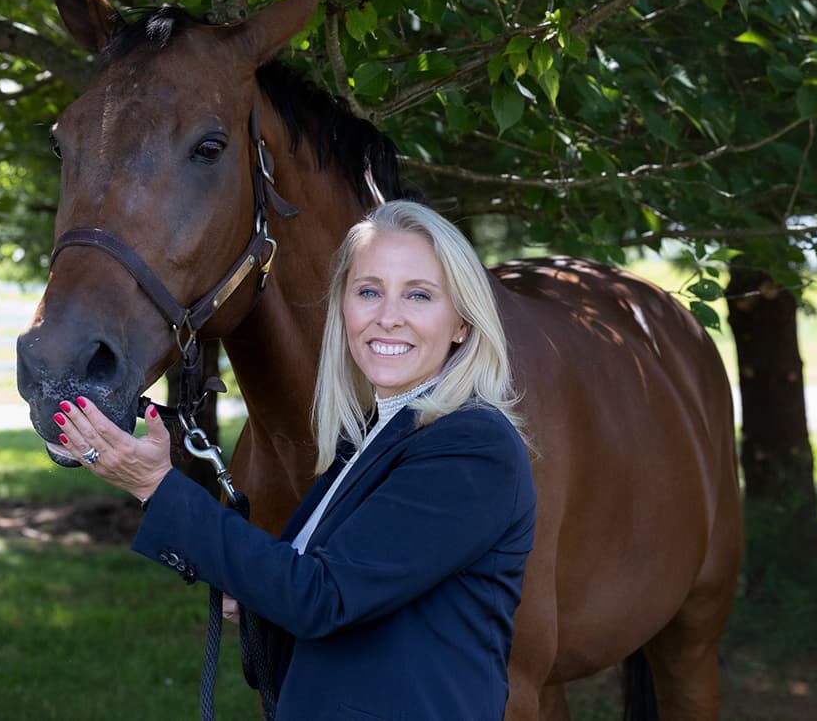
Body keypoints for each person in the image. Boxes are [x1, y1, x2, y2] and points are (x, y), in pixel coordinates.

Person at [51, 200, 536, 720]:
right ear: (343, 307)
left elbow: (322, 598)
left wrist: (156, 486)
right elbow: (324, 585)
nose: (388, 317)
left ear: (462, 322)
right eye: (369, 291)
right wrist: (259, 596)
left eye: (418, 295)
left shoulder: (471, 447)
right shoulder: (372, 437)